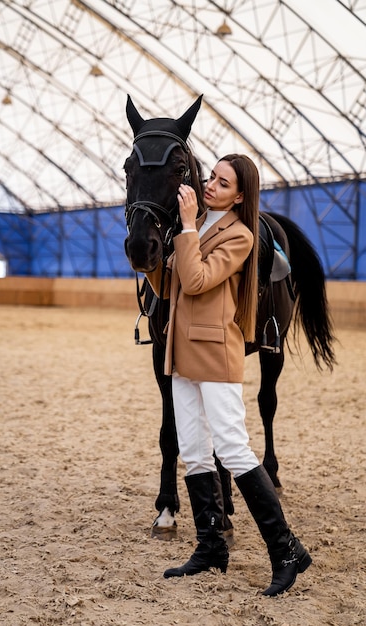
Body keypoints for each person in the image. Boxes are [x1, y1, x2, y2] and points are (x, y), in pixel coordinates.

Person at [145, 154, 312, 596]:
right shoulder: (197, 224)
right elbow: (173, 286)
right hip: (181, 353)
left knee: (234, 450)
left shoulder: (238, 235)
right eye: (211, 177)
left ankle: (287, 550)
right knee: (196, 453)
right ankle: (211, 548)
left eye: (223, 182)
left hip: (215, 352)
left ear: (240, 195)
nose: (211, 185)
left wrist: (183, 227)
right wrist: (150, 257)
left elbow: (198, 280)